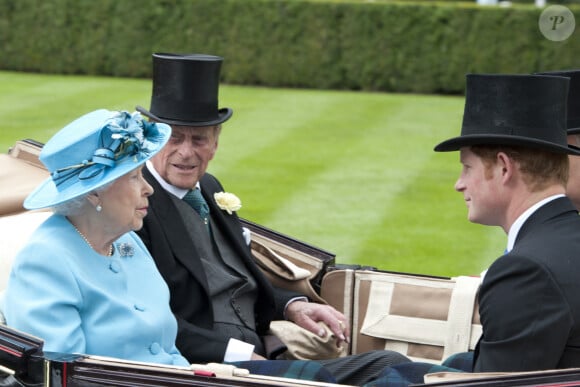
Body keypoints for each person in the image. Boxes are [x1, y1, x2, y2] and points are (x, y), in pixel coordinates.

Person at [135, 52, 410, 385]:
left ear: (216, 142)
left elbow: (235, 275)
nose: (186, 152)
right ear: (151, 140)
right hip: (207, 369)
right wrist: (237, 353)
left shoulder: (209, 186)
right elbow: (146, 318)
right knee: (335, 376)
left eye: (199, 139)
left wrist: (293, 305)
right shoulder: (135, 205)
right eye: (174, 137)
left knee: (392, 363)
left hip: (261, 349)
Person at [3, 109, 190, 366]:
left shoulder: (126, 241)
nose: (149, 189)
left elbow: (167, 349)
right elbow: (60, 373)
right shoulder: (45, 260)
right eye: (135, 177)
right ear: (94, 194)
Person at [433, 73, 580, 372]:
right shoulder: (564, 240)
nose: (459, 184)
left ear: (503, 168)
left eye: (467, 167)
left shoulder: (526, 270)